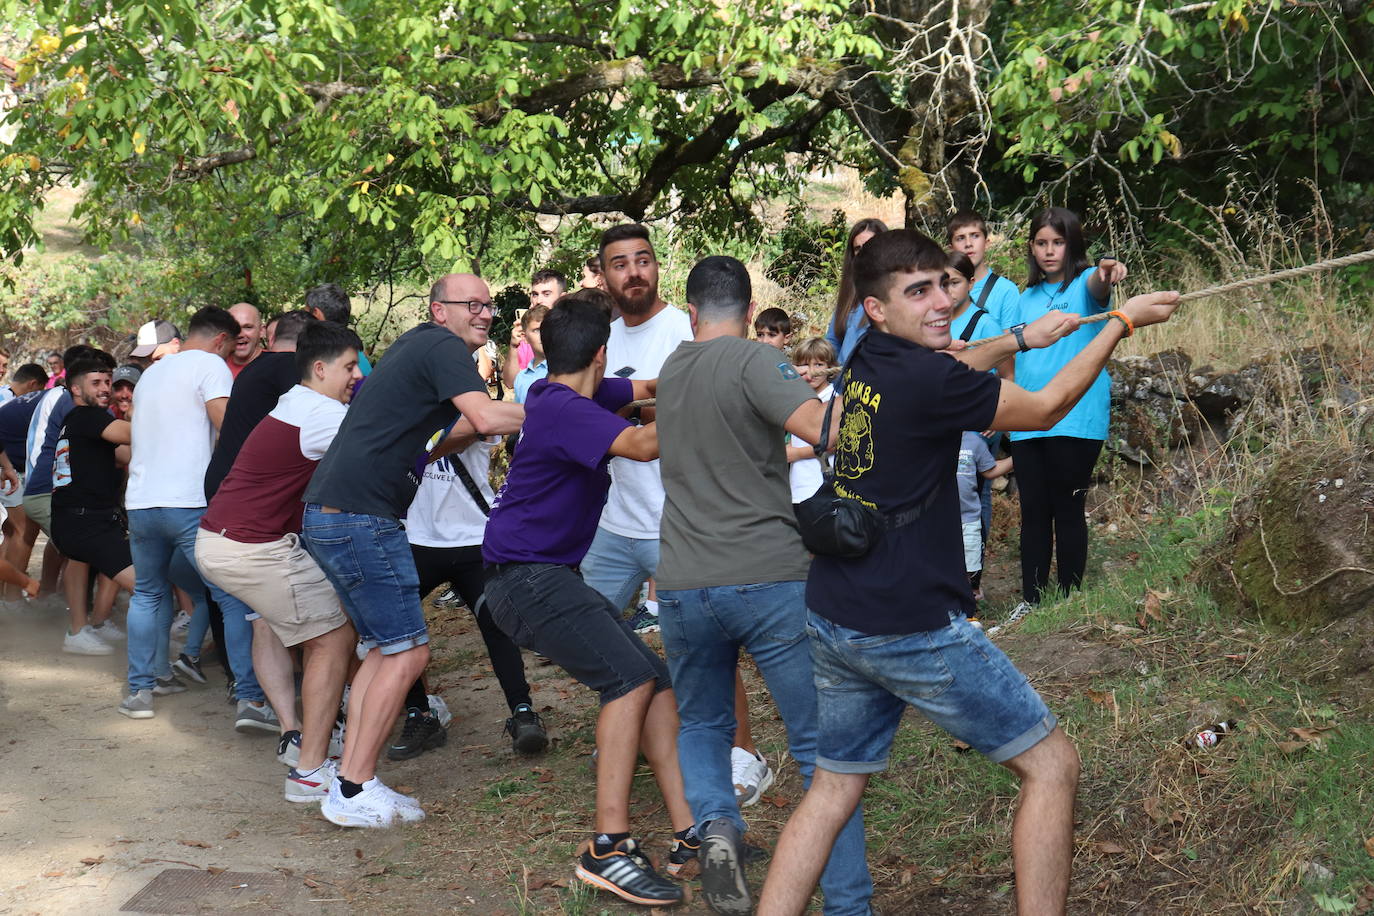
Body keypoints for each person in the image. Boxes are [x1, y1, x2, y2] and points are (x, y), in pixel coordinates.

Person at [755, 228, 1179, 916]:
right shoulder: (926, 376)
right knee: (1052, 767)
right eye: (917, 292)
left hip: (837, 610)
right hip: (909, 625)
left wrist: (1024, 339)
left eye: (944, 285)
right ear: (877, 308)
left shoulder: (864, 362)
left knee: (833, 788)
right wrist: (1122, 325)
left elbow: (953, 364)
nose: (940, 303)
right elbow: (1043, 410)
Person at [656, 257, 873, 916]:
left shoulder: (672, 370)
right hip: (767, 577)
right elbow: (826, 432)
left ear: (691, 312)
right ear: (750, 311)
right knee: (820, 752)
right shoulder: (756, 361)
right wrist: (865, 392)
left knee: (701, 723)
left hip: (683, 582)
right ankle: (847, 905)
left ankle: (717, 824)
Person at [481, 298, 691, 907]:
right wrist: (709, 402)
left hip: (543, 575)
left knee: (654, 678)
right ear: (601, 352)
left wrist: (715, 369)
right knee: (627, 679)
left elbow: (648, 387)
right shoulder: (568, 409)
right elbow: (645, 445)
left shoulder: (563, 394)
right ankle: (607, 847)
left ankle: (690, 835)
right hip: (526, 580)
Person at [302, 273, 523, 828]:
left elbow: (441, 435)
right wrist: (571, 410)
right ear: (438, 310)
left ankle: (353, 783)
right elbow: (488, 418)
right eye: (470, 304)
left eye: (489, 304)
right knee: (407, 652)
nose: (484, 313)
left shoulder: (417, 352)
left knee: (385, 650)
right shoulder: (440, 345)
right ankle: (352, 789)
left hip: (337, 514)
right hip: (359, 518)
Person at [196, 321, 363, 804]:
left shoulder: (297, 403)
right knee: (332, 639)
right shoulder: (321, 415)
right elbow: (378, 455)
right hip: (249, 548)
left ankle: (320, 731)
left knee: (318, 625)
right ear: (319, 367)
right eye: (350, 366)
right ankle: (310, 768)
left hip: (234, 541)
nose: (356, 375)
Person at [118, 306, 245, 720]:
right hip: (189, 501)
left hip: (141, 502)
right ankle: (250, 696)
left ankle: (139, 692)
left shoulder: (151, 374)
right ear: (221, 341)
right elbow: (225, 424)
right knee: (229, 595)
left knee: (149, 595)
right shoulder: (211, 365)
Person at [396, 427, 547, 760]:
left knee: (496, 625)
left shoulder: (473, 411)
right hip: (416, 543)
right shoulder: (406, 411)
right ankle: (418, 714)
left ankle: (523, 713)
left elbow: (480, 425)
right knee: (397, 631)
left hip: (474, 542)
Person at [196, 309, 316, 728]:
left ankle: (251, 696)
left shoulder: (252, 371)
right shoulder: (290, 373)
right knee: (260, 609)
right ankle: (259, 698)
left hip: (223, 493)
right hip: (256, 501)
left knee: (245, 607)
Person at [1006, 207, 1128, 615]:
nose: (1049, 250)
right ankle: (1032, 600)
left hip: (1077, 417)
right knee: (1034, 512)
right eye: (1041, 243)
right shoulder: (1023, 299)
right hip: (1027, 419)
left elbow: (1100, 279)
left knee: (1068, 506)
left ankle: (1070, 598)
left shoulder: (1084, 288)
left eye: (1058, 242)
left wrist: (1107, 267)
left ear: (1072, 245)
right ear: (1031, 248)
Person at [579, 224, 692, 637]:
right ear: (604, 276)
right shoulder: (601, 340)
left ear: (657, 267)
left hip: (676, 526)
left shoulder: (685, 331)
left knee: (696, 650)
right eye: (620, 264)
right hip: (612, 524)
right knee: (589, 640)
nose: (634, 273)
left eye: (643, 261)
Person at [50, 353, 137, 654]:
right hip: (88, 524)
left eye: (108, 382)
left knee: (80, 562)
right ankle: (154, 666)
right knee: (148, 588)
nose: (105, 388)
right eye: (96, 382)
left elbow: (122, 455)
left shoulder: (76, 422)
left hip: (75, 520)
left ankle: (79, 631)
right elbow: (131, 435)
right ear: (76, 389)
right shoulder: (88, 417)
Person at [956, 430, 1012, 607]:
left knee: (970, 567)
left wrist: (1018, 454)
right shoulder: (937, 438)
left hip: (969, 518)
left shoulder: (974, 441)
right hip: (942, 519)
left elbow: (990, 470)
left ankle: (969, 604)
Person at [824, 218, 887, 363]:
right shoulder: (851, 295)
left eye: (869, 245)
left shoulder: (897, 295)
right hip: (842, 382)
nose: (863, 253)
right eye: (858, 248)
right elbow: (832, 342)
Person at [947, 210, 1022, 331]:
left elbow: (1010, 344)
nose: (968, 244)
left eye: (975, 236)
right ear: (951, 248)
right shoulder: (942, 290)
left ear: (986, 243)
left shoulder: (1006, 290)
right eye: (960, 238)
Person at [786, 337, 839, 505]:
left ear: (830, 367)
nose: (811, 371)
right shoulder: (797, 398)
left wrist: (796, 453)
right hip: (797, 487)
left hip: (821, 489)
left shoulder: (834, 401)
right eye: (805, 365)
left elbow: (835, 443)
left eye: (818, 365)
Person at [512, 304, 549, 404]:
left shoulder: (564, 370)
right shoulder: (521, 377)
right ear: (524, 337)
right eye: (537, 330)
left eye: (548, 328)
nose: (544, 334)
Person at [226, 302, 265, 379]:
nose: (240, 334)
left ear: (261, 331)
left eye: (247, 327)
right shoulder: (215, 366)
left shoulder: (276, 365)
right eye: (234, 328)